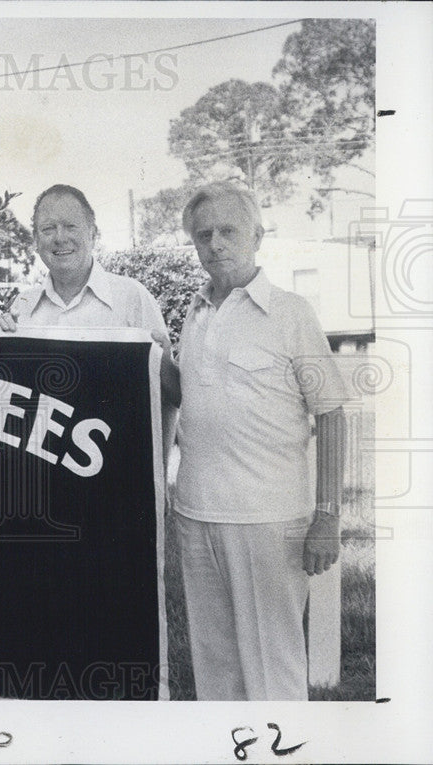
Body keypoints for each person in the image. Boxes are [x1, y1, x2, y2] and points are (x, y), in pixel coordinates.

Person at [163, 181, 348, 700]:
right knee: (217, 674)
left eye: (228, 231)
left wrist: (328, 515)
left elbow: (331, 413)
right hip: (197, 517)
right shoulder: (195, 314)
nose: (216, 243)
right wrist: (145, 357)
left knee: (274, 672)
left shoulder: (291, 313)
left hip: (270, 522)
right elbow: (191, 394)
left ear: (257, 236)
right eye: (204, 235)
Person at [0, 184, 176, 456]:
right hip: (41, 476)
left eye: (71, 226)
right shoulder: (22, 305)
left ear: (93, 234)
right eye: (48, 229)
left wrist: (157, 484)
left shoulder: (133, 297)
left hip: (116, 475)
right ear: (36, 240)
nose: (60, 238)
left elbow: (167, 398)